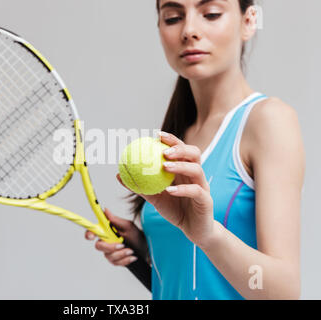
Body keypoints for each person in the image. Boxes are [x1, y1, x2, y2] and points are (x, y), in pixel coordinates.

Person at [85, 0, 305, 300]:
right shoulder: (175, 135)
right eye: (173, 17)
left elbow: (284, 293)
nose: (189, 30)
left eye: (211, 14)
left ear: (249, 21)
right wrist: (145, 252)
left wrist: (209, 235)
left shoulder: (268, 120)